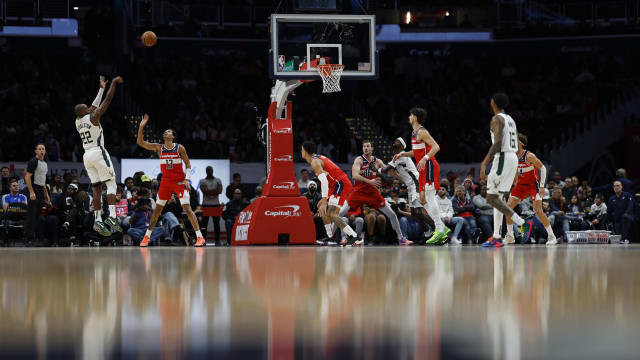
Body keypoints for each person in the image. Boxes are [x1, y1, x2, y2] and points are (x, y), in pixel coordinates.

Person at [136, 114, 206, 247]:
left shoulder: (179, 148)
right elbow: (140, 142)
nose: (166, 132)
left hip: (180, 181)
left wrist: (187, 179)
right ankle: (146, 237)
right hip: (166, 182)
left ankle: (199, 237)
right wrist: (141, 127)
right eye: (165, 131)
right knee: (157, 210)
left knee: (187, 208)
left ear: (172, 136)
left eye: (169, 132)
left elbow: (188, 164)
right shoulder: (158, 147)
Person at [74, 75, 124, 237]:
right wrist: (113, 85)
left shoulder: (78, 120)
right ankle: (112, 217)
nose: (89, 106)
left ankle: (97, 220)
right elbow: (106, 101)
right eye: (86, 107)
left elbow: (93, 105)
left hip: (87, 156)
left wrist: (101, 88)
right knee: (111, 184)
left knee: (96, 188)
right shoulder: (94, 117)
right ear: (85, 111)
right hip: (98, 152)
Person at [392, 107, 451, 244]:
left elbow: (436, 147)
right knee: (423, 199)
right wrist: (402, 154)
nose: (409, 117)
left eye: (410, 115)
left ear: (416, 117)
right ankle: (441, 227)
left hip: (429, 165)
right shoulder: (414, 133)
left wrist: (425, 158)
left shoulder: (422, 131)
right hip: (423, 168)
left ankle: (440, 229)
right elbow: (416, 152)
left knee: (429, 198)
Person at [342, 139, 410, 245]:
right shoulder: (359, 160)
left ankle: (401, 238)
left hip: (373, 193)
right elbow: (354, 175)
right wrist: (370, 181)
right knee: (340, 213)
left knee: (392, 214)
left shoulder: (377, 161)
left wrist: (401, 178)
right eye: (364, 146)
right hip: (358, 192)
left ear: (372, 148)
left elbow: (389, 173)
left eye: (368, 146)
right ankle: (336, 237)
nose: (366, 148)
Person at [479, 93, 525, 248]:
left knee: (491, 197)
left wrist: (484, 163)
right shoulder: (510, 119)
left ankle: (520, 221)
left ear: (493, 103)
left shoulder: (496, 119)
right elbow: (515, 142)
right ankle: (497, 237)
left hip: (503, 157)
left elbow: (497, 143)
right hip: (512, 157)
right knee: (497, 198)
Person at [301, 141, 360, 246]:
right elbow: (328, 174)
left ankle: (354, 237)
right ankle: (330, 237)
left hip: (340, 184)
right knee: (320, 206)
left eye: (302, 149)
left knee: (332, 213)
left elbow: (324, 181)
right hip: (334, 185)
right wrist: (322, 202)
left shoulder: (314, 162)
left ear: (305, 151)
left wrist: (324, 201)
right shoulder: (317, 158)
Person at [503, 133, 557, 245]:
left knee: (538, 210)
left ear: (521, 144)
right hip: (521, 185)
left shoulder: (529, 156)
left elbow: (542, 168)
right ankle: (510, 236)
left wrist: (542, 186)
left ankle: (552, 236)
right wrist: (515, 180)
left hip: (533, 185)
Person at [381, 137, 436, 240]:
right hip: (410, 186)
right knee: (415, 213)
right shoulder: (397, 157)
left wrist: (375, 168)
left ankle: (438, 229)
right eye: (395, 140)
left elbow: (385, 170)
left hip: (416, 184)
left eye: (397, 141)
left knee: (419, 211)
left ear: (402, 146)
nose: (395, 142)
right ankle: (427, 233)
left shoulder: (401, 156)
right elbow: (395, 174)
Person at [24, 144, 50, 245]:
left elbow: (42, 180)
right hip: (33, 189)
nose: (41, 151)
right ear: (36, 151)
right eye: (39, 149)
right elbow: (27, 177)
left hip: (40, 190)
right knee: (31, 216)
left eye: (43, 149)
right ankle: (27, 239)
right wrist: (31, 192)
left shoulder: (44, 163)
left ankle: (33, 237)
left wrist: (46, 194)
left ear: (45, 151)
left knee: (37, 215)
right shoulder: (33, 161)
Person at [199, 166, 223, 245]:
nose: (209, 171)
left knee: (217, 224)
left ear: (212, 171)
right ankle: (203, 241)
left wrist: (209, 191)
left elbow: (219, 191)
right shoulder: (202, 181)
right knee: (204, 225)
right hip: (206, 205)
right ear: (206, 171)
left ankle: (217, 241)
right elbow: (205, 192)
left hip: (216, 205)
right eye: (208, 170)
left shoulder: (218, 180)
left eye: (210, 170)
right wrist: (214, 191)